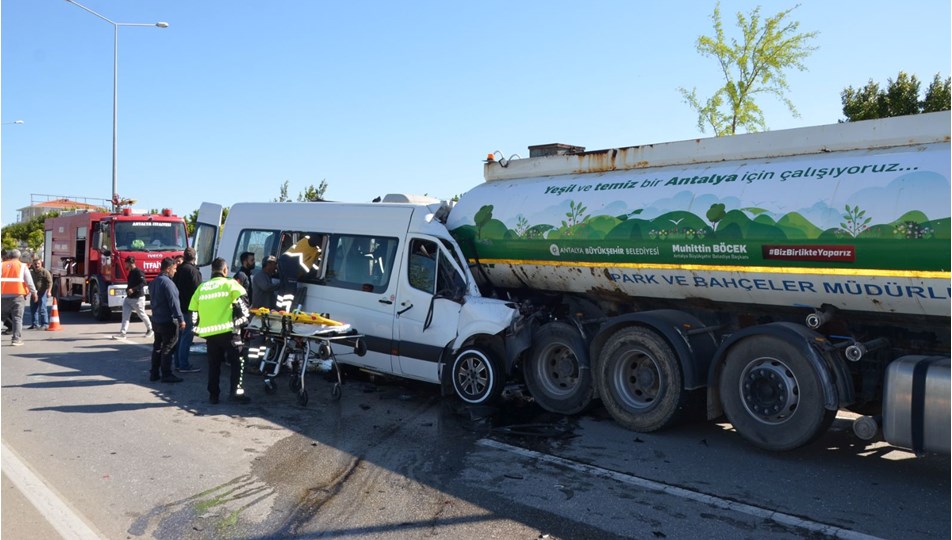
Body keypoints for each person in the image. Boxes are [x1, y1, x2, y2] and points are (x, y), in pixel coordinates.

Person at [190, 257, 251, 404]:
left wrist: (197, 329)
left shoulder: (202, 287)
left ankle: (213, 395)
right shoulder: (231, 284)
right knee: (238, 363)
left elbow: (194, 311)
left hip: (210, 335)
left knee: (214, 365)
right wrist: (242, 321)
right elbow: (244, 304)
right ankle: (236, 393)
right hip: (229, 333)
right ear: (225, 270)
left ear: (212, 270)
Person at [148, 257, 185, 383]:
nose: (175, 271)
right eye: (174, 269)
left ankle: (154, 373)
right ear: (168, 269)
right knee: (168, 348)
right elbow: (174, 303)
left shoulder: (154, 282)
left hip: (156, 319)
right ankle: (166, 374)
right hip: (167, 320)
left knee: (157, 347)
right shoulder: (168, 283)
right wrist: (181, 319)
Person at [172, 247, 202, 373]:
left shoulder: (178, 269)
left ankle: (178, 363)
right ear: (194, 257)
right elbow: (198, 292)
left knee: (180, 337)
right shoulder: (193, 271)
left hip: (179, 308)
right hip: (189, 309)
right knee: (187, 336)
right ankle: (183, 364)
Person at [1, 249, 37, 346]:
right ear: (19, 257)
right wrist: (34, 293)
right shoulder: (22, 266)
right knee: (17, 318)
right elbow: (29, 281)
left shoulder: (2, 265)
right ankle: (16, 340)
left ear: (9, 256)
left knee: (1, 317)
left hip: (2, 295)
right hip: (18, 296)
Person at [276, 235, 322, 309]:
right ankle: (285, 309)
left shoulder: (316, 250)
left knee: (284, 286)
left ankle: (279, 308)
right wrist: (324, 246)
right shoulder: (311, 238)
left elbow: (314, 264)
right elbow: (314, 238)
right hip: (290, 262)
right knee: (290, 288)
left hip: (285, 262)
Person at [113, 257, 153, 339]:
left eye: (126, 263)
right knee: (125, 316)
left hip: (138, 298)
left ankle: (150, 329)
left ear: (129, 263)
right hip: (128, 299)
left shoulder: (138, 271)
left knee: (141, 314)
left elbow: (143, 283)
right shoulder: (131, 272)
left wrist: (133, 289)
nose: (125, 265)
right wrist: (127, 289)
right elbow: (131, 283)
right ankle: (123, 333)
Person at [29, 258, 53, 330]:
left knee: (42, 309)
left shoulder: (44, 272)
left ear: (41, 264)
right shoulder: (31, 272)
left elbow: (50, 282)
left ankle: (44, 324)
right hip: (34, 293)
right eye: (35, 264)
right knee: (33, 309)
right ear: (33, 264)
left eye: (38, 264)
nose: (37, 265)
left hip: (42, 292)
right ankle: (34, 324)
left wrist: (49, 291)